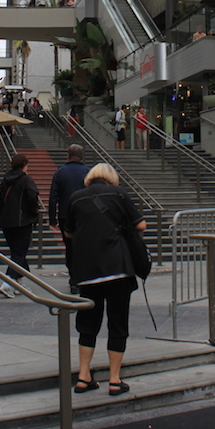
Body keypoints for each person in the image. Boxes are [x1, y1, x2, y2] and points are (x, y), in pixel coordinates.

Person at [64, 163, 146, 395]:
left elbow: (69, 232)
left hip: (87, 271)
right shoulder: (119, 193)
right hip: (118, 268)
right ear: (112, 179)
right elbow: (140, 224)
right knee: (117, 323)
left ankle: (83, 377)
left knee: (87, 324)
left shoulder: (76, 197)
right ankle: (114, 380)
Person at [0, 153, 40, 298]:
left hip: (7, 222)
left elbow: (1, 201)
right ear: (24, 166)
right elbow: (33, 197)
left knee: (16, 251)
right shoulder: (26, 179)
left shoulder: (5, 180)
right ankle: (7, 282)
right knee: (19, 252)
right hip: (22, 221)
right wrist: (34, 215)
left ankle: (19, 281)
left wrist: (0, 219)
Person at [48, 144, 90, 289]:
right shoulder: (88, 172)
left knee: (70, 247)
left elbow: (53, 197)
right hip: (84, 216)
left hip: (65, 215)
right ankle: (83, 275)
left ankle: (73, 278)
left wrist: (52, 218)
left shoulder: (60, 173)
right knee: (84, 246)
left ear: (68, 156)